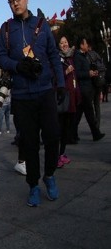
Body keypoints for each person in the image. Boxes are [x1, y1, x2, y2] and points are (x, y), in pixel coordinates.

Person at [0, 0, 65, 207]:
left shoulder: (42, 25)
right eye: (11, 0)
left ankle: (50, 175)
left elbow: (54, 56)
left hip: (44, 91)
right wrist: (17, 66)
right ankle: (34, 185)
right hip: (23, 95)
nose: (15, 3)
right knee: (30, 143)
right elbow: (0, 58)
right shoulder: (6, 30)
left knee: (53, 135)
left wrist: (61, 85)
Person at [71, 37, 105, 142]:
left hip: (86, 87)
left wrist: (92, 72)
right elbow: (77, 73)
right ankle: (95, 133)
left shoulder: (84, 56)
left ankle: (72, 134)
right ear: (81, 45)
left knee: (79, 114)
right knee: (89, 113)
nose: (87, 45)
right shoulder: (78, 57)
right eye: (85, 43)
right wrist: (88, 74)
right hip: (83, 89)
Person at [57, 36, 80, 168]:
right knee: (60, 127)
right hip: (62, 97)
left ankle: (62, 153)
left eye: (66, 42)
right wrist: (66, 72)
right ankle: (57, 155)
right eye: (62, 43)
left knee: (67, 127)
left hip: (71, 95)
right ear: (58, 45)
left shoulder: (71, 58)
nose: (64, 44)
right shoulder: (58, 60)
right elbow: (55, 77)